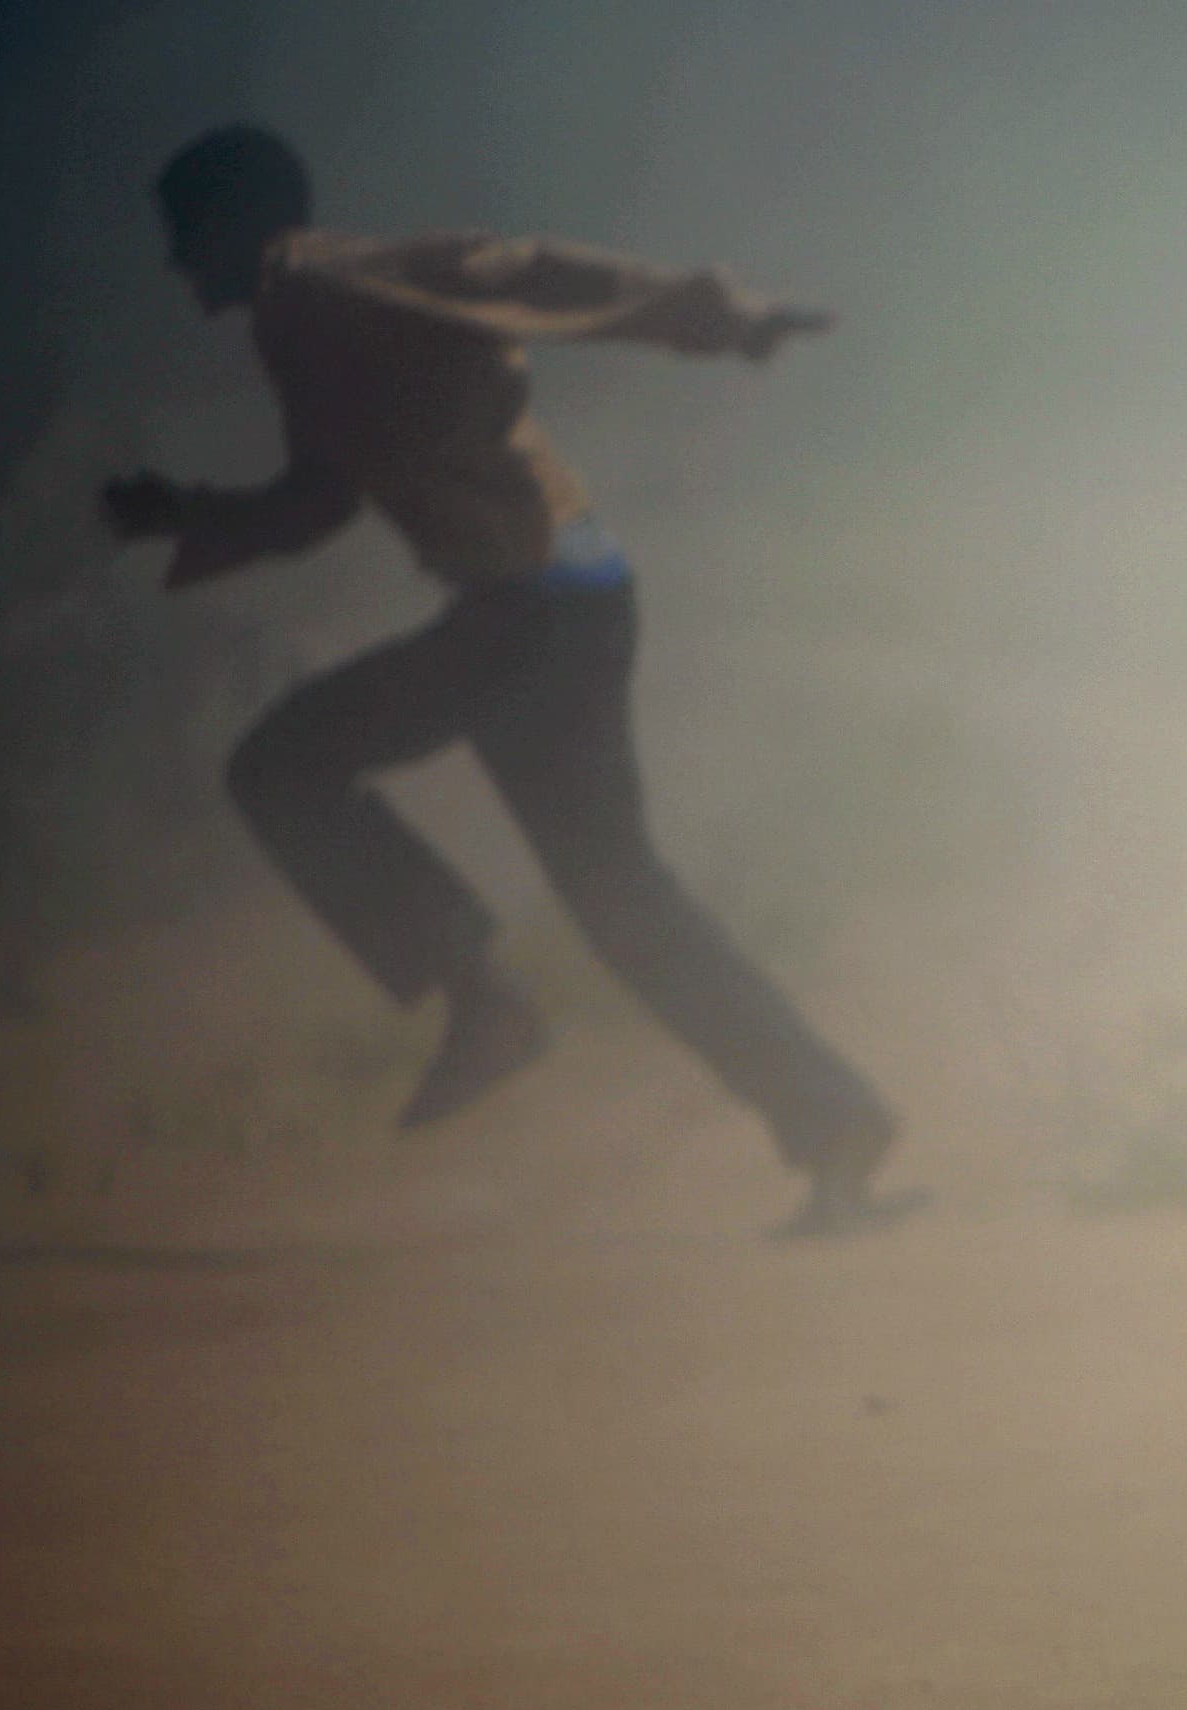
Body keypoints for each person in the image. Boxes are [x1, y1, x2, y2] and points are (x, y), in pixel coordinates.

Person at [103, 124, 905, 1235]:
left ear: (236, 224)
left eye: (182, 236)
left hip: (536, 611)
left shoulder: (324, 282)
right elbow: (318, 502)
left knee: (285, 766)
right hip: (540, 604)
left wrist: (717, 314)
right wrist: (183, 514)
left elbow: (517, 271)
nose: (174, 264)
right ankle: (830, 1127)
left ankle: (484, 999)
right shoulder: (298, 322)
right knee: (619, 899)